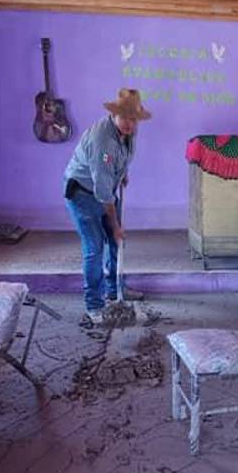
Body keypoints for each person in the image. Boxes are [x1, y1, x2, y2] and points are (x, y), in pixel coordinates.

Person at [64, 89, 150, 324]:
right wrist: (115, 225)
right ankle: (94, 305)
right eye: (124, 117)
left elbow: (121, 157)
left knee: (115, 242)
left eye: (134, 118)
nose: (129, 123)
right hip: (82, 193)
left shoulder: (128, 132)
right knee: (95, 246)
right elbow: (103, 193)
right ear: (114, 115)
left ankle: (115, 291)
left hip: (104, 187)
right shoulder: (103, 140)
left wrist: (122, 173)